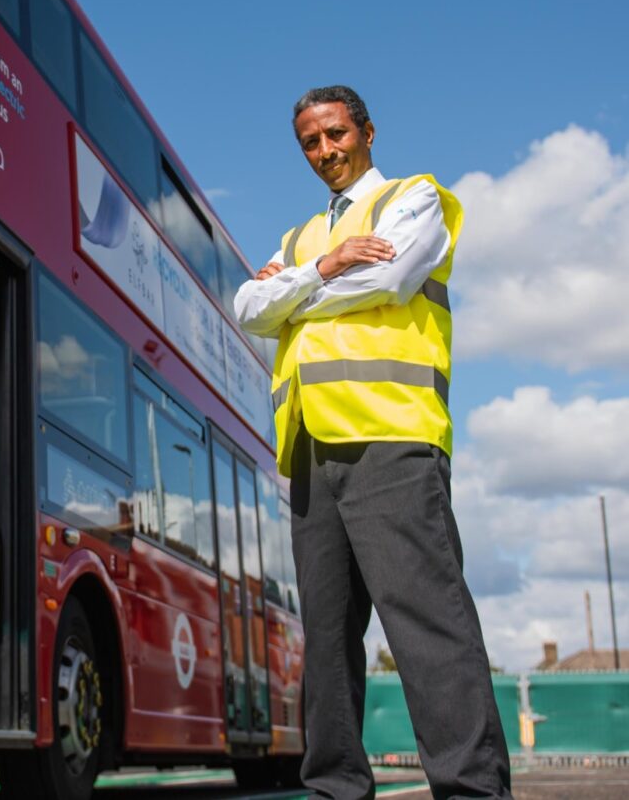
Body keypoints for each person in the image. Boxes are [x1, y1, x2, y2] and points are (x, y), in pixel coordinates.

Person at [233, 86, 512, 800]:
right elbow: (245, 307)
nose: (325, 151)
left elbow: (389, 277)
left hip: (391, 436)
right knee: (324, 641)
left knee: (427, 621)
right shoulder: (302, 240)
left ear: (366, 131)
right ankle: (334, 789)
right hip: (309, 450)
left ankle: (472, 789)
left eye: (335, 134)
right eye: (310, 142)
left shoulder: (412, 200)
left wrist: (292, 294)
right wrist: (324, 269)